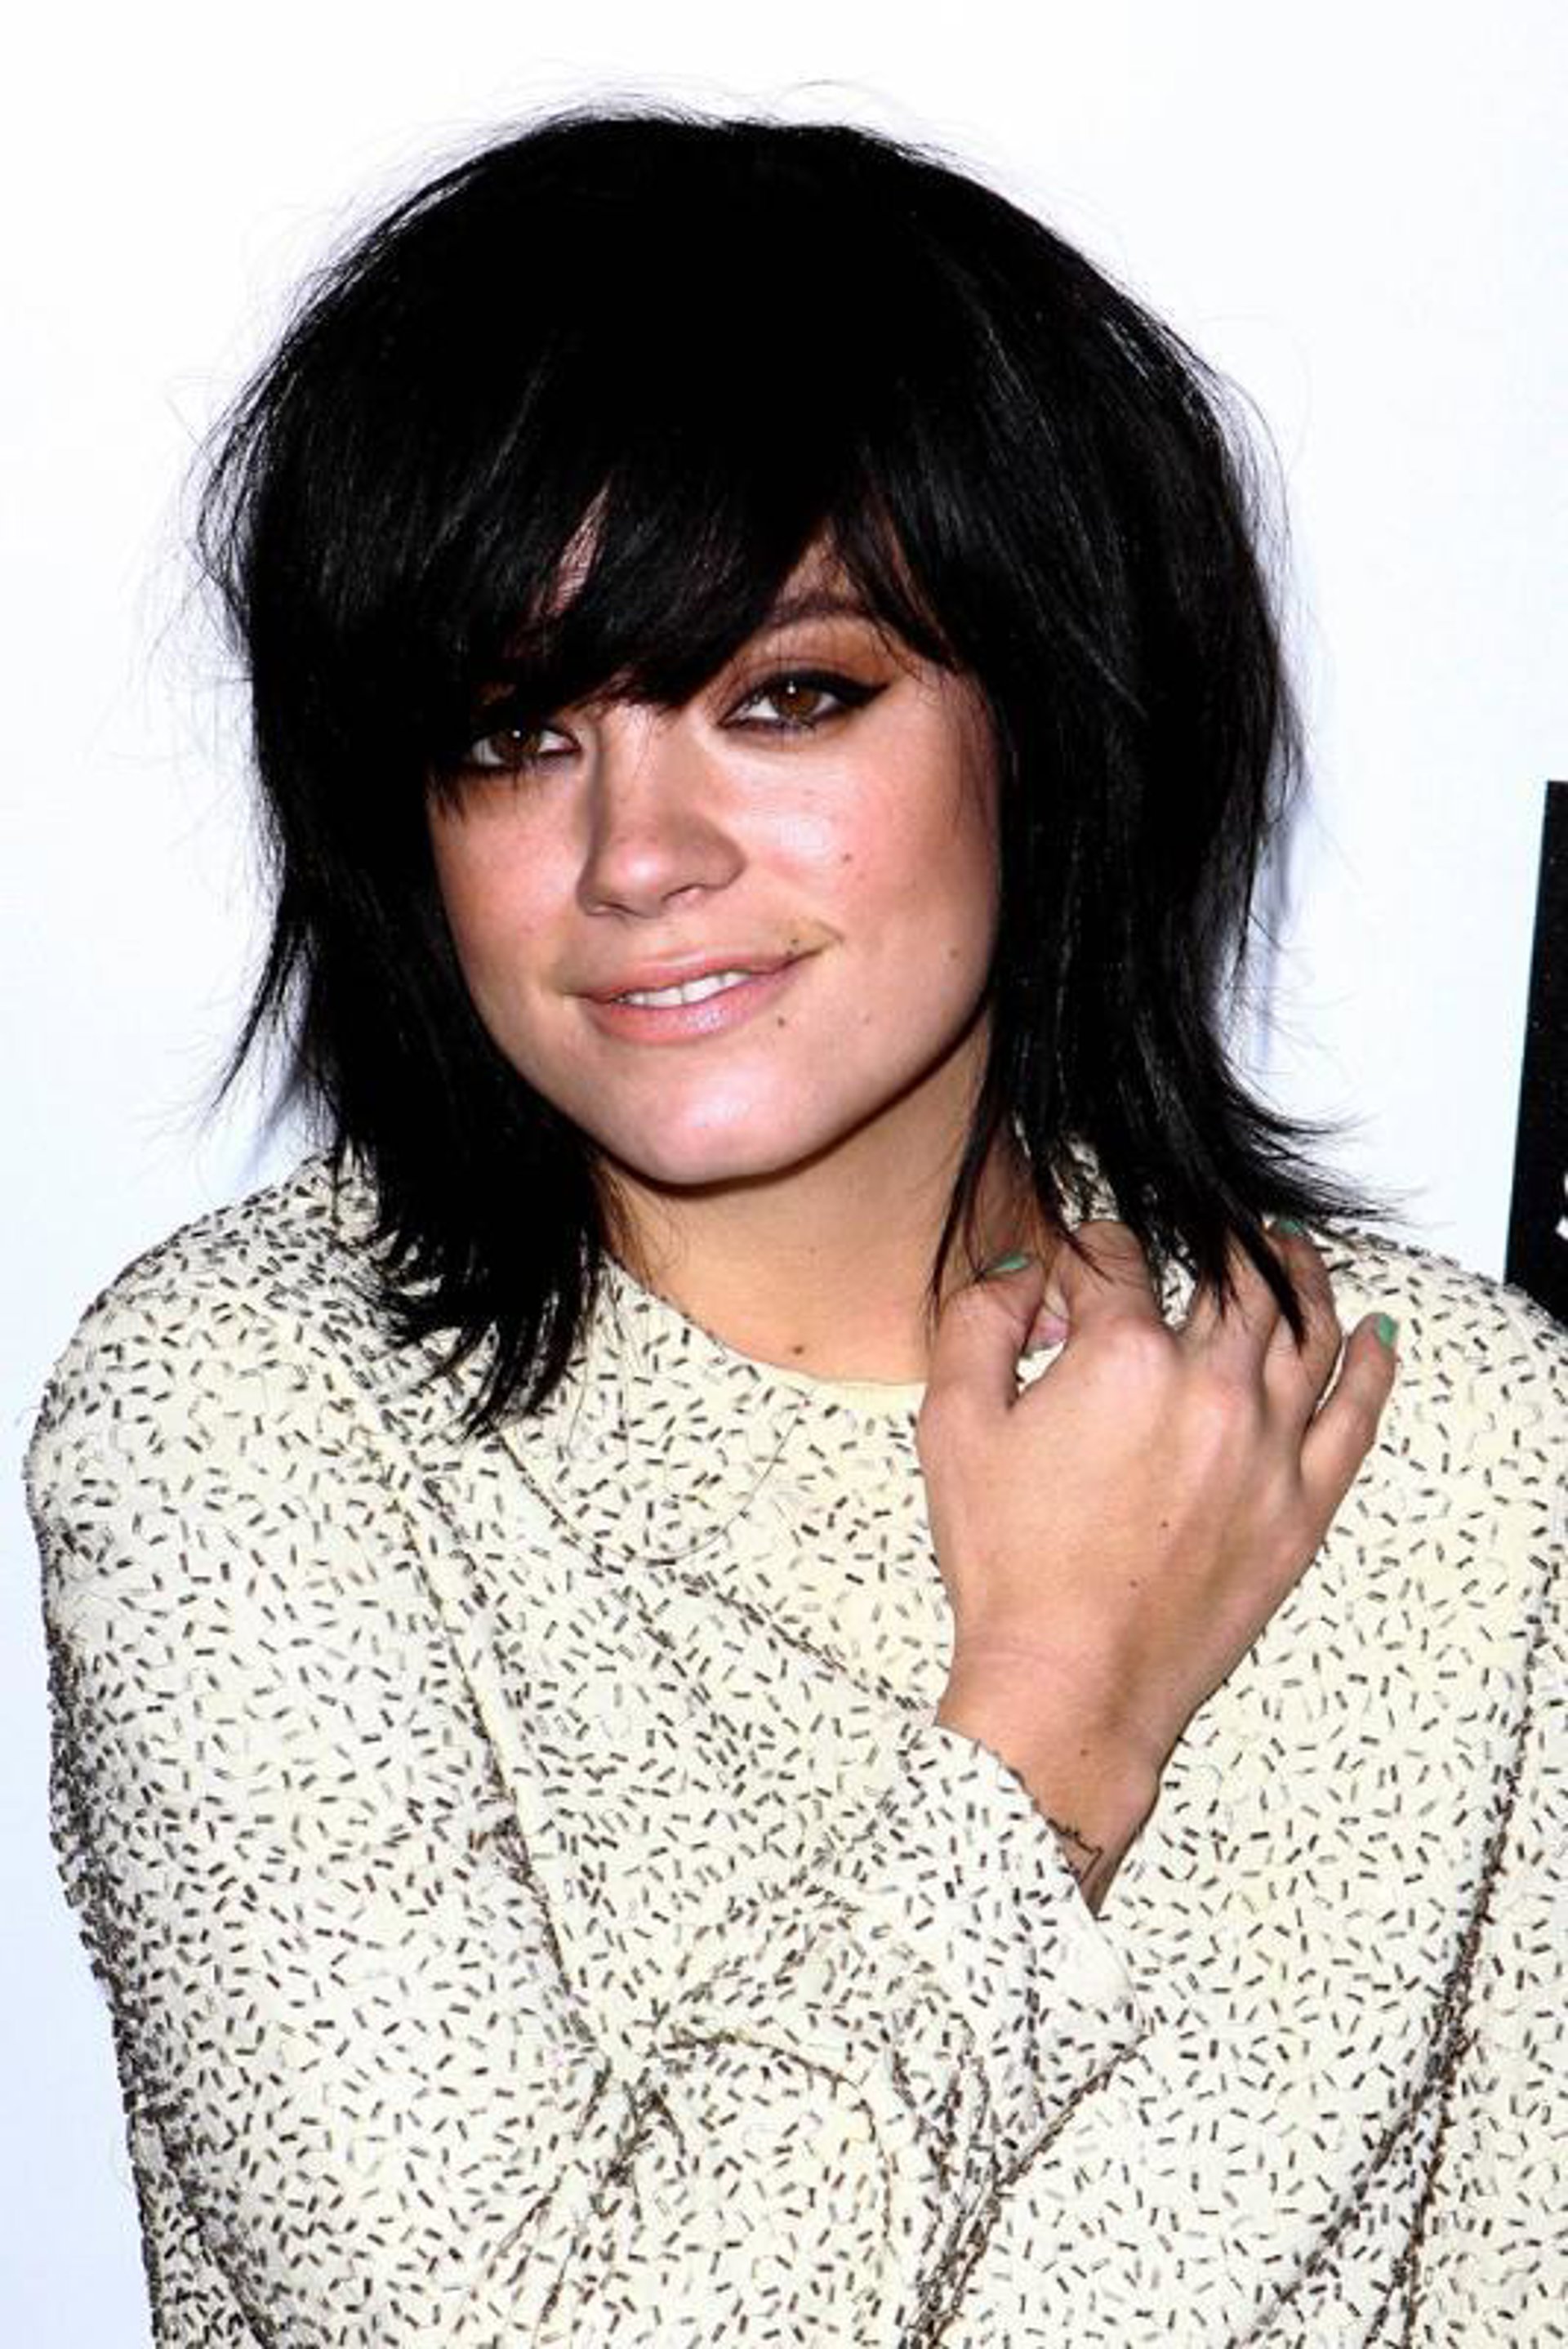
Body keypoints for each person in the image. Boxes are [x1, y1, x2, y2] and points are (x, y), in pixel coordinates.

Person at [23, 101, 1563, 2347]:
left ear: (1053, 725)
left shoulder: (1453, 1437)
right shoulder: (249, 1423)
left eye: (789, 697)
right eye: (515, 733)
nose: (637, 853)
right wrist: (1050, 1722)